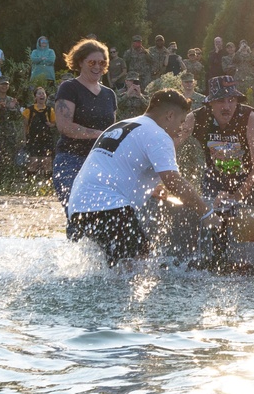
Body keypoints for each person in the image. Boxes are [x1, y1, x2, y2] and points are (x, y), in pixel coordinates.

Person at [67, 89, 216, 266]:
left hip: (76, 210)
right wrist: (207, 212)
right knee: (138, 267)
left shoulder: (121, 125)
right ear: (170, 115)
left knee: (103, 271)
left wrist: (149, 187)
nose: (181, 128)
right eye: (181, 121)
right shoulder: (158, 134)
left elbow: (114, 167)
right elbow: (173, 181)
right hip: (109, 208)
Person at [53, 39, 118, 209]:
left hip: (101, 163)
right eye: (92, 62)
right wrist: (99, 135)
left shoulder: (109, 94)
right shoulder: (69, 88)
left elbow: (113, 129)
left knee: (100, 214)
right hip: (71, 160)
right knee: (76, 212)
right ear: (80, 62)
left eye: (102, 62)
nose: (97, 66)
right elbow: (65, 127)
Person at [175, 75, 254, 206]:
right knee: (209, 219)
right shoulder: (197, 117)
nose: (227, 106)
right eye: (220, 101)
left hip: (247, 178)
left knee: (251, 221)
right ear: (210, 103)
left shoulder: (248, 117)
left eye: (231, 100)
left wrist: (239, 195)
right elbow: (171, 144)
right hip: (213, 178)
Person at [23, 86, 56, 178]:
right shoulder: (29, 110)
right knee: (34, 161)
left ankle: (47, 182)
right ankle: (30, 181)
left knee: (47, 161)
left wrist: (50, 124)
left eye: (43, 93)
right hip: (33, 139)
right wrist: (25, 139)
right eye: (39, 93)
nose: (42, 95)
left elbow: (53, 123)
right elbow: (25, 126)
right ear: (35, 97)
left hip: (46, 138)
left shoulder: (50, 110)